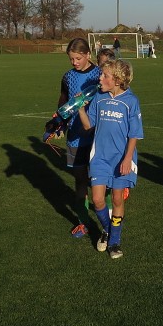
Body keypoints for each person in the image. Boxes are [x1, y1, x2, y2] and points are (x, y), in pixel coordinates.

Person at [76, 60, 143, 259]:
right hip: (100, 158)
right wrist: (80, 108)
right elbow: (89, 125)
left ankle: (114, 242)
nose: (100, 78)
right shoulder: (99, 97)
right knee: (97, 200)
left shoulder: (131, 100)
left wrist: (127, 158)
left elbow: (134, 134)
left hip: (122, 158)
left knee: (116, 198)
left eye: (105, 76)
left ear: (118, 80)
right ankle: (108, 230)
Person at [54, 38, 103, 239]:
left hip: (98, 135)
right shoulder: (67, 76)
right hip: (75, 136)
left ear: (88, 55)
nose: (74, 62)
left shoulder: (100, 74)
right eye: (71, 59)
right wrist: (58, 124)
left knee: (101, 179)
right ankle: (83, 222)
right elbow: (63, 102)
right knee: (80, 179)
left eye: (78, 58)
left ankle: (108, 213)